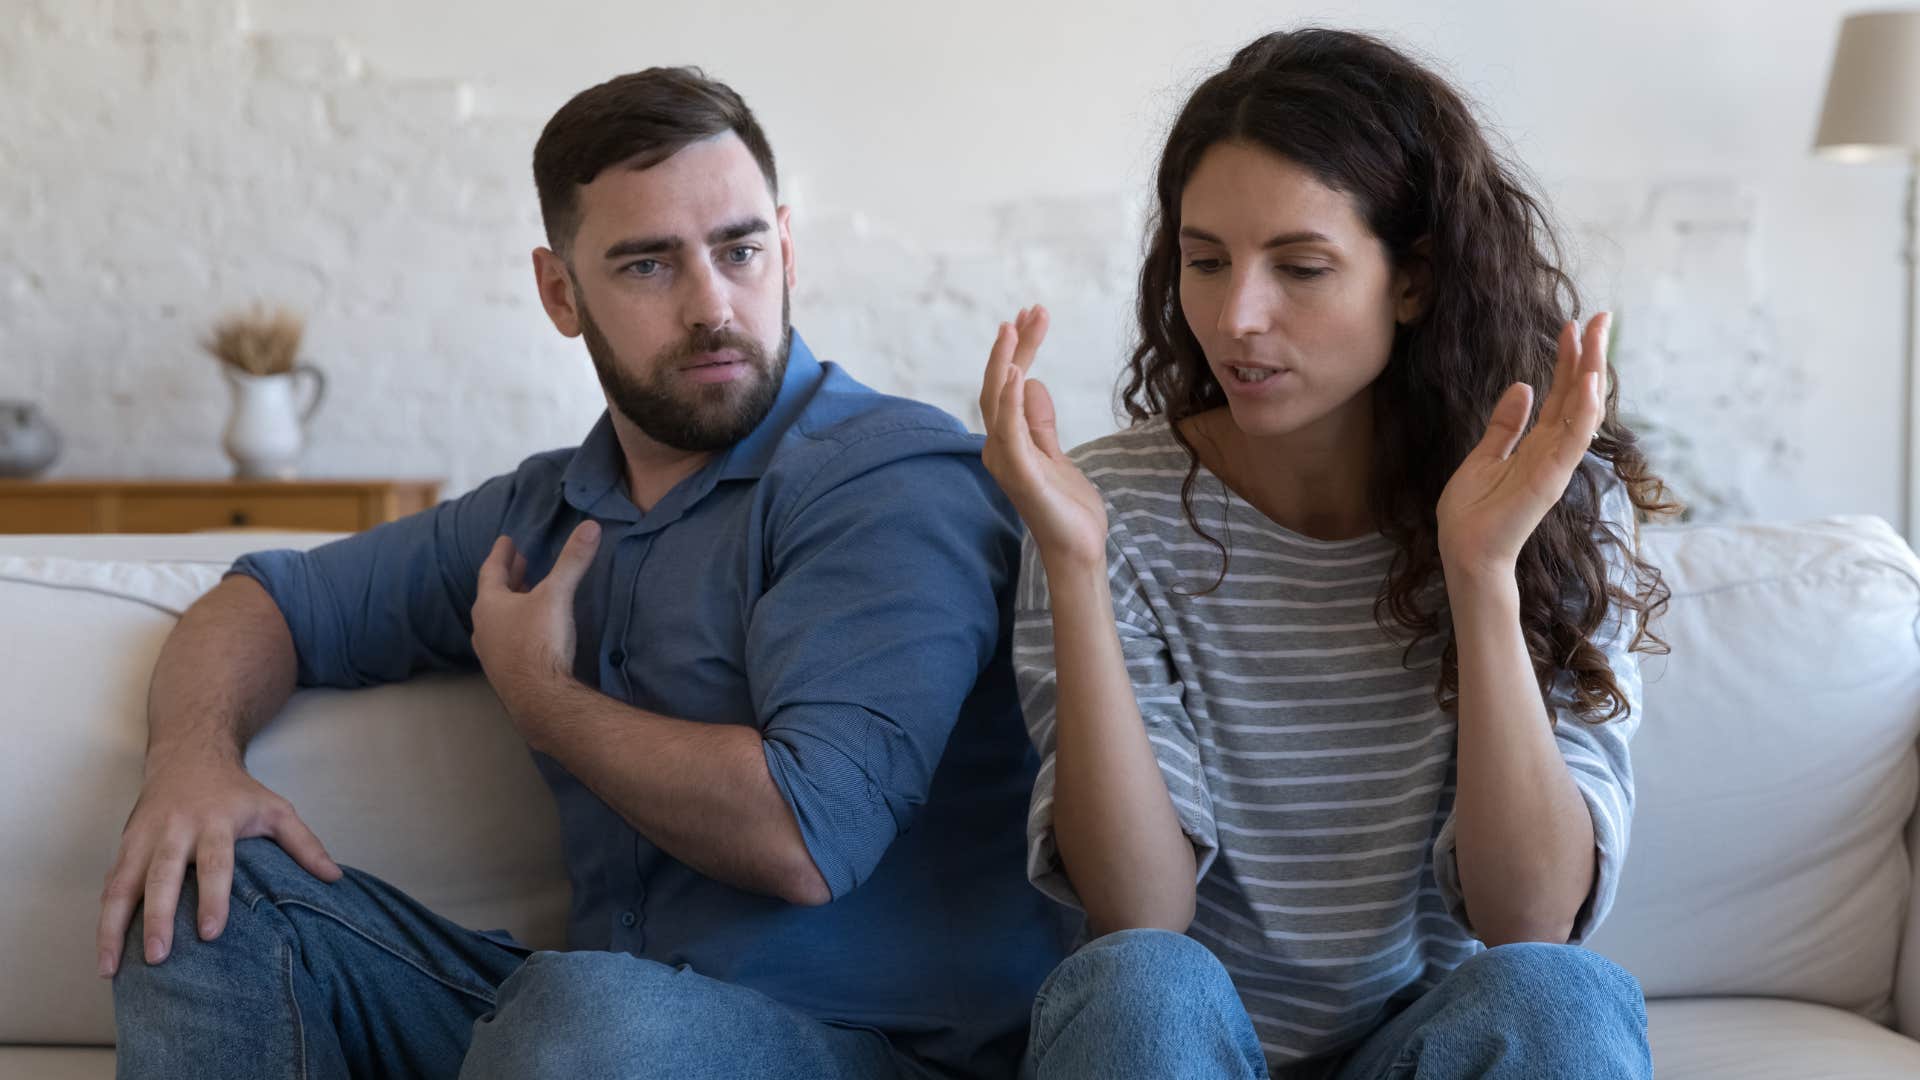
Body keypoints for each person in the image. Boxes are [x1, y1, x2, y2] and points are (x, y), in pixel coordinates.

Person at [102, 66, 1063, 1080]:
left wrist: (542, 698)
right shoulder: (542, 514)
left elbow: (806, 837)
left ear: (786, 249)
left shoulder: (887, 479)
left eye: (739, 252)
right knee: (212, 884)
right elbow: (265, 602)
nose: (712, 306)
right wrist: (190, 767)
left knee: (587, 1015)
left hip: (873, 1054)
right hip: (586, 1038)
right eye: (648, 266)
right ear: (560, 292)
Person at [979, 28, 1671, 1080]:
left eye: (1300, 267)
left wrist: (1481, 575)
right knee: (1139, 982)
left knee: (1558, 997)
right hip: (1185, 1048)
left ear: (1414, 278)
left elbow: (1530, 920)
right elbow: (1139, 917)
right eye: (1203, 262)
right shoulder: (1102, 505)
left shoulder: (1553, 501)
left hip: (1422, 1050)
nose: (1234, 317)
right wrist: (1076, 566)